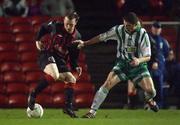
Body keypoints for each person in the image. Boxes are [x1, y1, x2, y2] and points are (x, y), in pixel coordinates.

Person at [76, 12, 159, 118]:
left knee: (151, 91)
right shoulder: (119, 30)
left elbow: (148, 56)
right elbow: (102, 37)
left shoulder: (143, 34)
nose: (125, 27)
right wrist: (85, 43)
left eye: (128, 25)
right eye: (124, 24)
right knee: (107, 84)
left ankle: (149, 100)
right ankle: (92, 112)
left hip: (138, 67)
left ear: (135, 24)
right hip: (122, 65)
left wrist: (138, 60)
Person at [28, 11, 82, 118]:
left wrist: (76, 65)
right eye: (66, 23)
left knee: (71, 79)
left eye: (71, 24)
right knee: (55, 75)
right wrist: (37, 40)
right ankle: (33, 94)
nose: (68, 26)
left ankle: (68, 107)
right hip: (47, 54)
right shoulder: (56, 26)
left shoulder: (77, 37)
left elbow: (73, 56)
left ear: (76, 23)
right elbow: (43, 27)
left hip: (60, 59)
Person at [149, 21, 170, 108]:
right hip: (149, 67)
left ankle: (159, 105)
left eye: (158, 28)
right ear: (152, 28)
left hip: (160, 69)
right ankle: (149, 104)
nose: (156, 29)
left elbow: (167, 53)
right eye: (155, 27)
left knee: (159, 86)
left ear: (160, 29)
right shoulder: (148, 39)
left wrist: (159, 62)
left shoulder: (163, 41)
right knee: (149, 86)